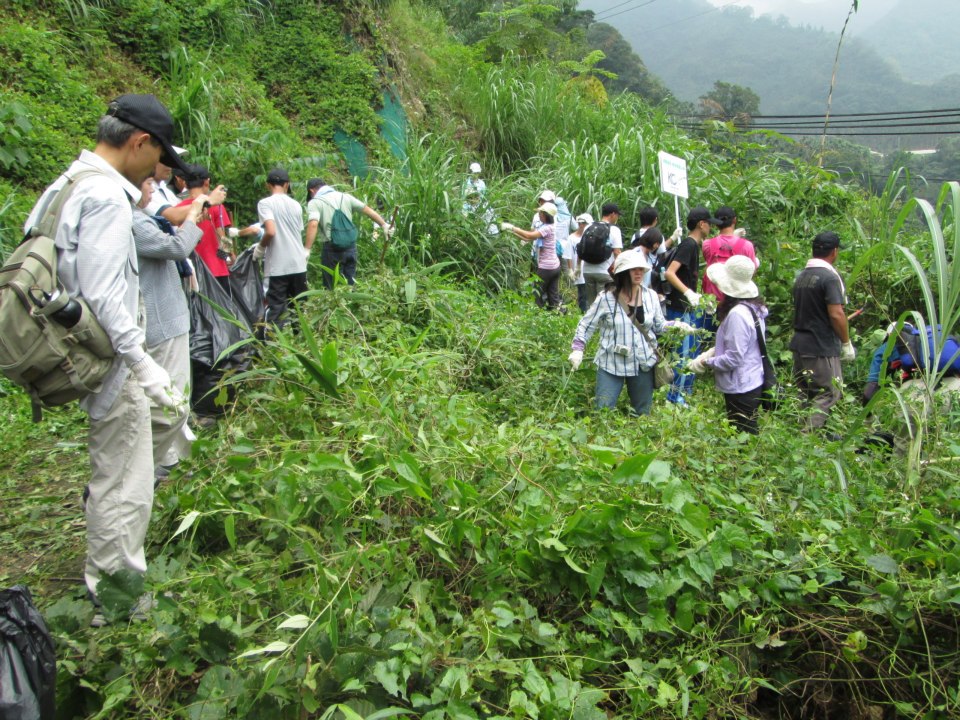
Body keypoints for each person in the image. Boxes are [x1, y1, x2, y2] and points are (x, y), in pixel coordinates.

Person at [24, 93, 188, 623]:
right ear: (139, 142)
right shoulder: (103, 196)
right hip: (108, 360)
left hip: (77, 348)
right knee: (125, 482)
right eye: (160, 154)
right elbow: (103, 294)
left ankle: (107, 545)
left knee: (129, 461)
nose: (160, 168)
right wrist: (141, 363)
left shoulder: (67, 184)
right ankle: (116, 600)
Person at [134, 178, 206, 475]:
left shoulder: (140, 218)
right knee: (172, 400)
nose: (152, 190)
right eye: (147, 183)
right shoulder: (134, 222)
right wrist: (193, 214)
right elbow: (177, 247)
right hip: (160, 323)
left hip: (165, 319)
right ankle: (141, 468)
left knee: (173, 399)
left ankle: (176, 458)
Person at [568, 250, 691, 415]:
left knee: (642, 413)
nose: (639, 272)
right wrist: (578, 348)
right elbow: (586, 325)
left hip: (643, 362)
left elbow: (659, 325)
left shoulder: (651, 296)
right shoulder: (606, 299)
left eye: (641, 269)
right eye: (634, 269)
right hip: (611, 362)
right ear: (623, 273)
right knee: (602, 410)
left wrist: (676, 325)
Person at [688, 256, 768, 434]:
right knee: (744, 432)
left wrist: (706, 363)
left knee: (743, 436)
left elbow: (734, 358)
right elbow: (744, 345)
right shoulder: (753, 308)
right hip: (752, 379)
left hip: (741, 385)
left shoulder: (737, 315)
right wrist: (712, 352)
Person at [790, 231, 855, 430]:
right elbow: (836, 314)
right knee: (828, 393)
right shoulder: (829, 278)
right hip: (820, 346)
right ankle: (808, 438)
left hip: (800, 344)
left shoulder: (802, 276)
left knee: (804, 392)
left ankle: (795, 436)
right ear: (834, 251)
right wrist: (846, 343)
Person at [663, 206, 719, 406]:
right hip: (680, 308)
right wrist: (687, 292)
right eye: (709, 224)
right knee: (684, 353)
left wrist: (698, 298)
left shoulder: (694, 245)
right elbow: (669, 273)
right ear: (701, 224)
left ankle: (682, 393)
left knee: (688, 351)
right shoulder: (688, 245)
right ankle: (675, 398)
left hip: (686, 307)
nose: (711, 227)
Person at [305, 178, 393, 289]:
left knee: (333, 289)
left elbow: (313, 224)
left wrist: (307, 249)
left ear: (311, 191)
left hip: (331, 249)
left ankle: (336, 305)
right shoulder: (345, 196)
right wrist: (384, 225)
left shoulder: (315, 202)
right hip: (351, 247)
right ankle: (352, 304)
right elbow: (367, 210)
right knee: (350, 284)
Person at [252, 168, 307, 326]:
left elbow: (270, 231)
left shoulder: (265, 203)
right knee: (299, 310)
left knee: (275, 310)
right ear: (287, 184)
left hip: (278, 266)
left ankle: (273, 347)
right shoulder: (296, 205)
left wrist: (260, 249)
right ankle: (302, 344)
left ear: (268, 185)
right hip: (298, 264)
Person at [176, 164, 233, 291]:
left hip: (193, 274)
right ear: (207, 182)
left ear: (185, 183)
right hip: (216, 268)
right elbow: (222, 236)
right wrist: (230, 257)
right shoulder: (215, 205)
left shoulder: (178, 210)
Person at [701, 206, 758, 331]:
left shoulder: (707, 244)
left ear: (716, 224)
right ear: (735, 221)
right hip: (737, 301)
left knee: (708, 339)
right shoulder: (747, 246)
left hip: (712, 302)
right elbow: (750, 272)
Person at [501, 202, 563, 310]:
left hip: (546, 268)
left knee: (537, 294)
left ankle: (537, 315)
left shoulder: (547, 228)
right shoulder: (547, 227)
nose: (539, 215)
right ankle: (557, 315)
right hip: (555, 267)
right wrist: (511, 231)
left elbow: (529, 235)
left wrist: (512, 228)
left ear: (545, 215)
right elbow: (527, 238)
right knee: (553, 296)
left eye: (540, 213)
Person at [581, 202, 624, 306]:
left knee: (591, 305)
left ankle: (590, 322)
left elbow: (582, 246)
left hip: (587, 271)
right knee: (604, 305)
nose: (617, 217)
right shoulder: (614, 229)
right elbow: (617, 252)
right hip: (604, 272)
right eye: (617, 215)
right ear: (613, 214)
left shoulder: (588, 226)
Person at [568, 213, 592, 312]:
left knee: (588, 295)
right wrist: (570, 270)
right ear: (580, 224)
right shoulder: (572, 238)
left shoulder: (591, 237)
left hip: (589, 270)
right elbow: (568, 255)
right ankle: (583, 314)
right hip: (579, 272)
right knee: (582, 295)